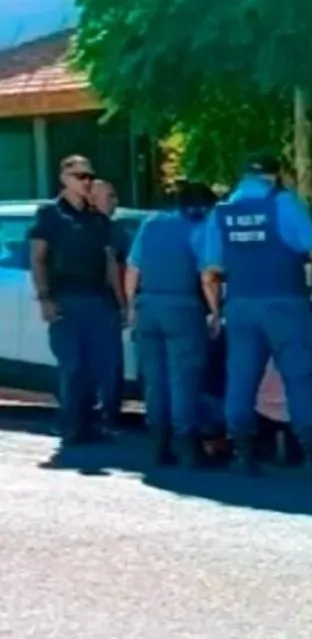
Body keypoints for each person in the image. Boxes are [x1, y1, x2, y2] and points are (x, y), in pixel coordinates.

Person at [201, 153, 312, 481]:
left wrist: (217, 310)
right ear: (274, 175)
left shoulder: (221, 212)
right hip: (285, 302)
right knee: (300, 375)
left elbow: (212, 269)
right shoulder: (283, 202)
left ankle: (243, 454)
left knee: (241, 378)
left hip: (240, 305)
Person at [27, 155, 126, 446]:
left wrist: (119, 303)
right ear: (64, 179)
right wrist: (45, 298)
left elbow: (110, 263)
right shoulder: (50, 215)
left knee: (97, 367)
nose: (86, 182)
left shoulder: (97, 219)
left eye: (89, 177)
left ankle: (90, 425)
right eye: (80, 176)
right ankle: (70, 426)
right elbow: (38, 259)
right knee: (71, 365)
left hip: (97, 300)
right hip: (66, 299)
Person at [126, 181, 214, 467]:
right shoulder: (201, 228)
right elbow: (208, 276)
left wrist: (131, 306)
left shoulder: (151, 224)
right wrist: (215, 311)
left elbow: (133, 269)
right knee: (184, 378)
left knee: (155, 380)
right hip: (183, 306)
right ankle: (188, 448)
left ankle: (158, 445)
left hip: (148, 306)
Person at [89, 178, 130, 430]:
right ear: (93, 199)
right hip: (104, 302)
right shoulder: (111, 230)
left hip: (81, 301)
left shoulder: (78, 226)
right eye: (110, 196)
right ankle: (109, 416)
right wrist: (123, 303)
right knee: (110, 362)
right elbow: (114, 267)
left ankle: (85, 415)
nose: (115, 202)